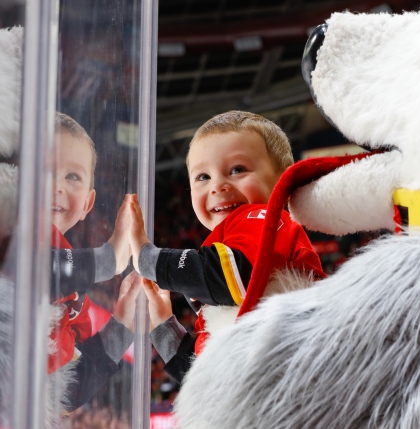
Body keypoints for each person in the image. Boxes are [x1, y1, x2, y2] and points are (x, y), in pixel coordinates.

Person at [127, 111, 324, 383]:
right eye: (203, 177)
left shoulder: (264, 217)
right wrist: (164, 326)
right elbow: (204, 378)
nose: (218, 185)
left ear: (283, 179)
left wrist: (147, 258)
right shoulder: (230, 245)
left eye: (237, 170)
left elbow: (225, 275)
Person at [47, 112, 138, 411]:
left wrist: (123, 324)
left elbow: (69, 391)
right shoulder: (8, 230)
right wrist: (109, 259)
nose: (57, 186)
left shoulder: (75, 294)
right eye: (42, 170)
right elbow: (31, 271)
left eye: (72, 176)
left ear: (87, 203)